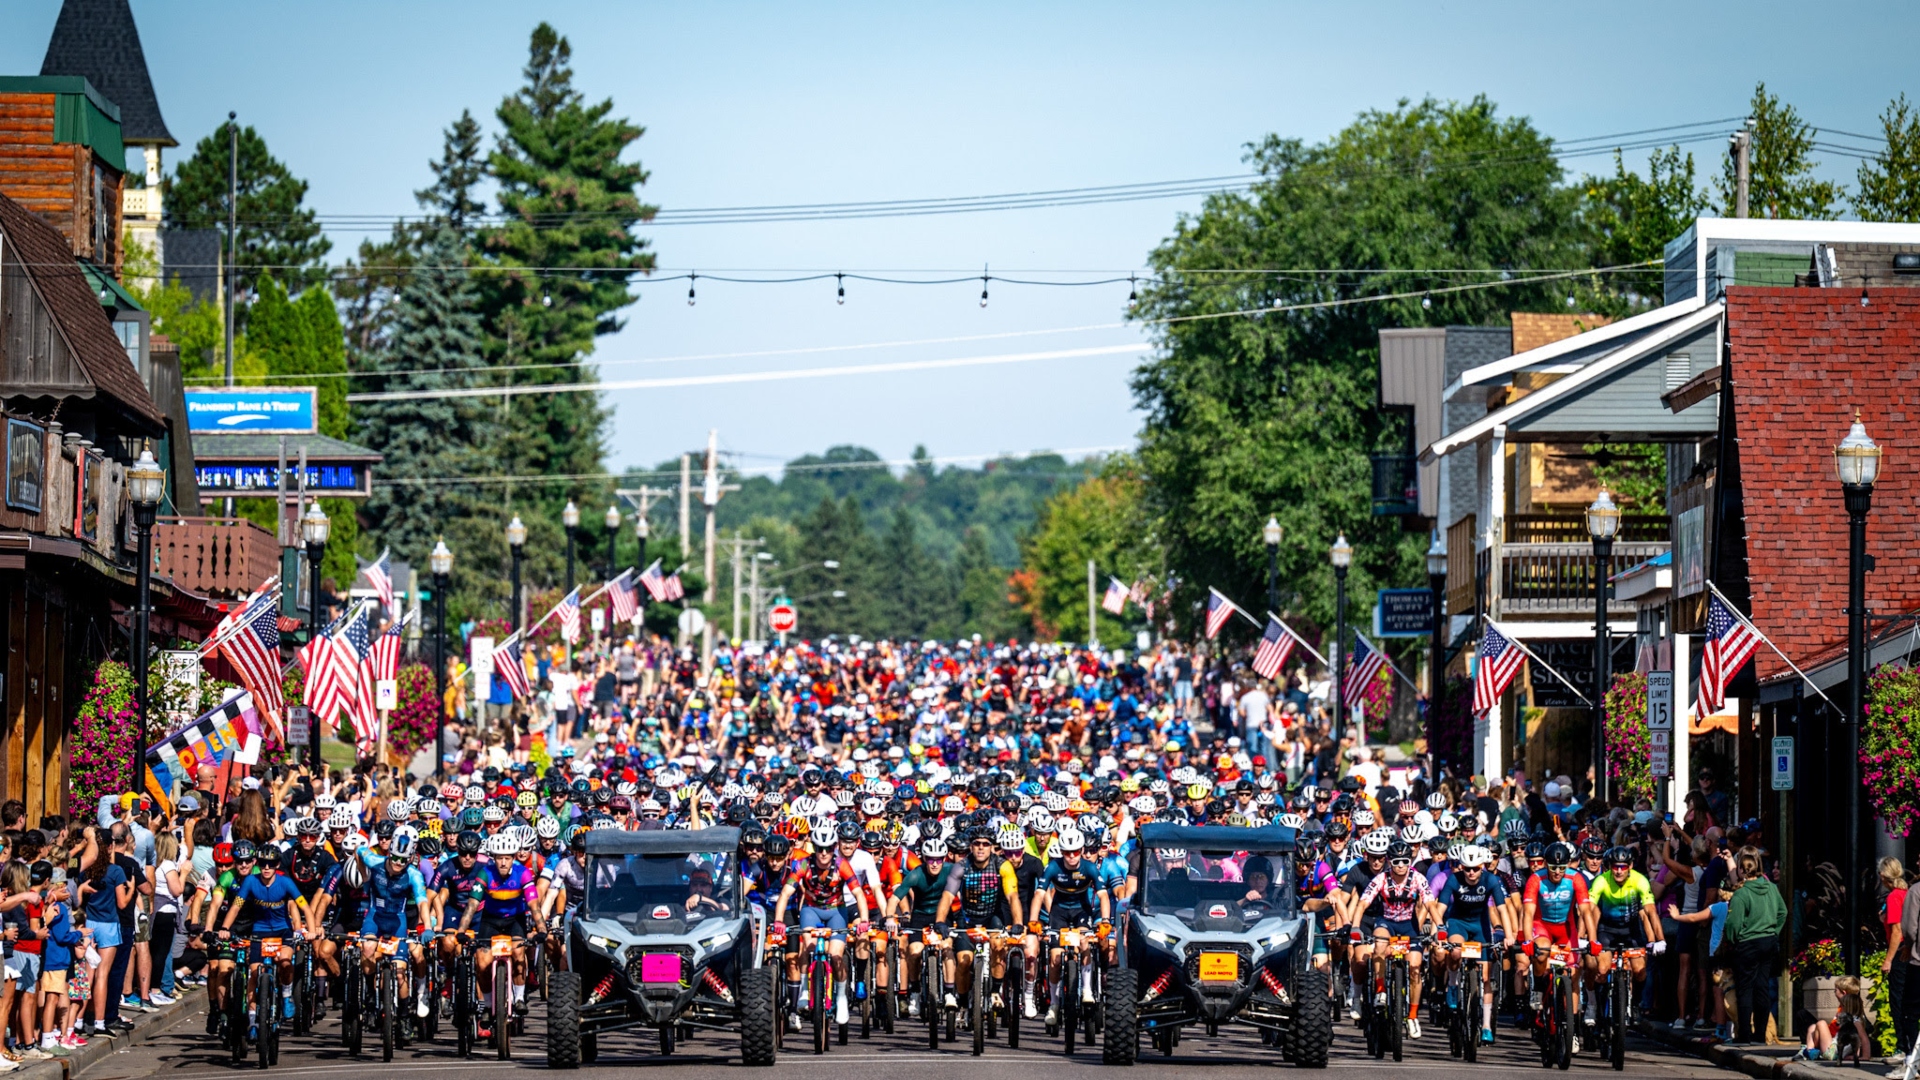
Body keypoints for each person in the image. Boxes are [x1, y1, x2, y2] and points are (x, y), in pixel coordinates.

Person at [1723, 848, 1785, 1045]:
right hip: (1768, 942)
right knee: (1762, 988)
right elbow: (1782, 912)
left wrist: (1734, 939)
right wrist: (1774, 932)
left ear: (1741, 870)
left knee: (1745, 989)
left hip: (1747, 943)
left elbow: (1733, 924)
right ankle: (1760, 1035)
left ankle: (1744, 1035)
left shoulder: (1741, 894)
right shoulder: (1772, 888)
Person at [1796, 975, 1870, 1062]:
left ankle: (1810, 1051)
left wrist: (1865, 1056)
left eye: (1835, 990)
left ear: (1844, 993)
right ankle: (1809, 1050)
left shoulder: (1855, 1021)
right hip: (1834, 1048)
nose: (1834, 993)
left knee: (1821, 1023)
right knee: (1812, 1027)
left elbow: (1863, 1039)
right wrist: (1855, 1055)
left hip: (1833, 1052)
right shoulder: (1852, 1018)